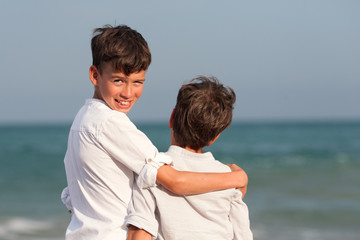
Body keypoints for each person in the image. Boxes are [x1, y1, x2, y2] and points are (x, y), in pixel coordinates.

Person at [62, 25, 248, 240]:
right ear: (95, 75)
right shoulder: (109, 122)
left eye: (137, 82)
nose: (128, 92)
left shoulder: (83, 120)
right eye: (118, 80)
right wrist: (235, 177)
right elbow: (174, 181)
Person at [126, 76, 253, 240]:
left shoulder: (152, 173)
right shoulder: (230, 180)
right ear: (215, 137)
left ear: (172, 118)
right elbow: (242, 235)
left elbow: (140, 232)